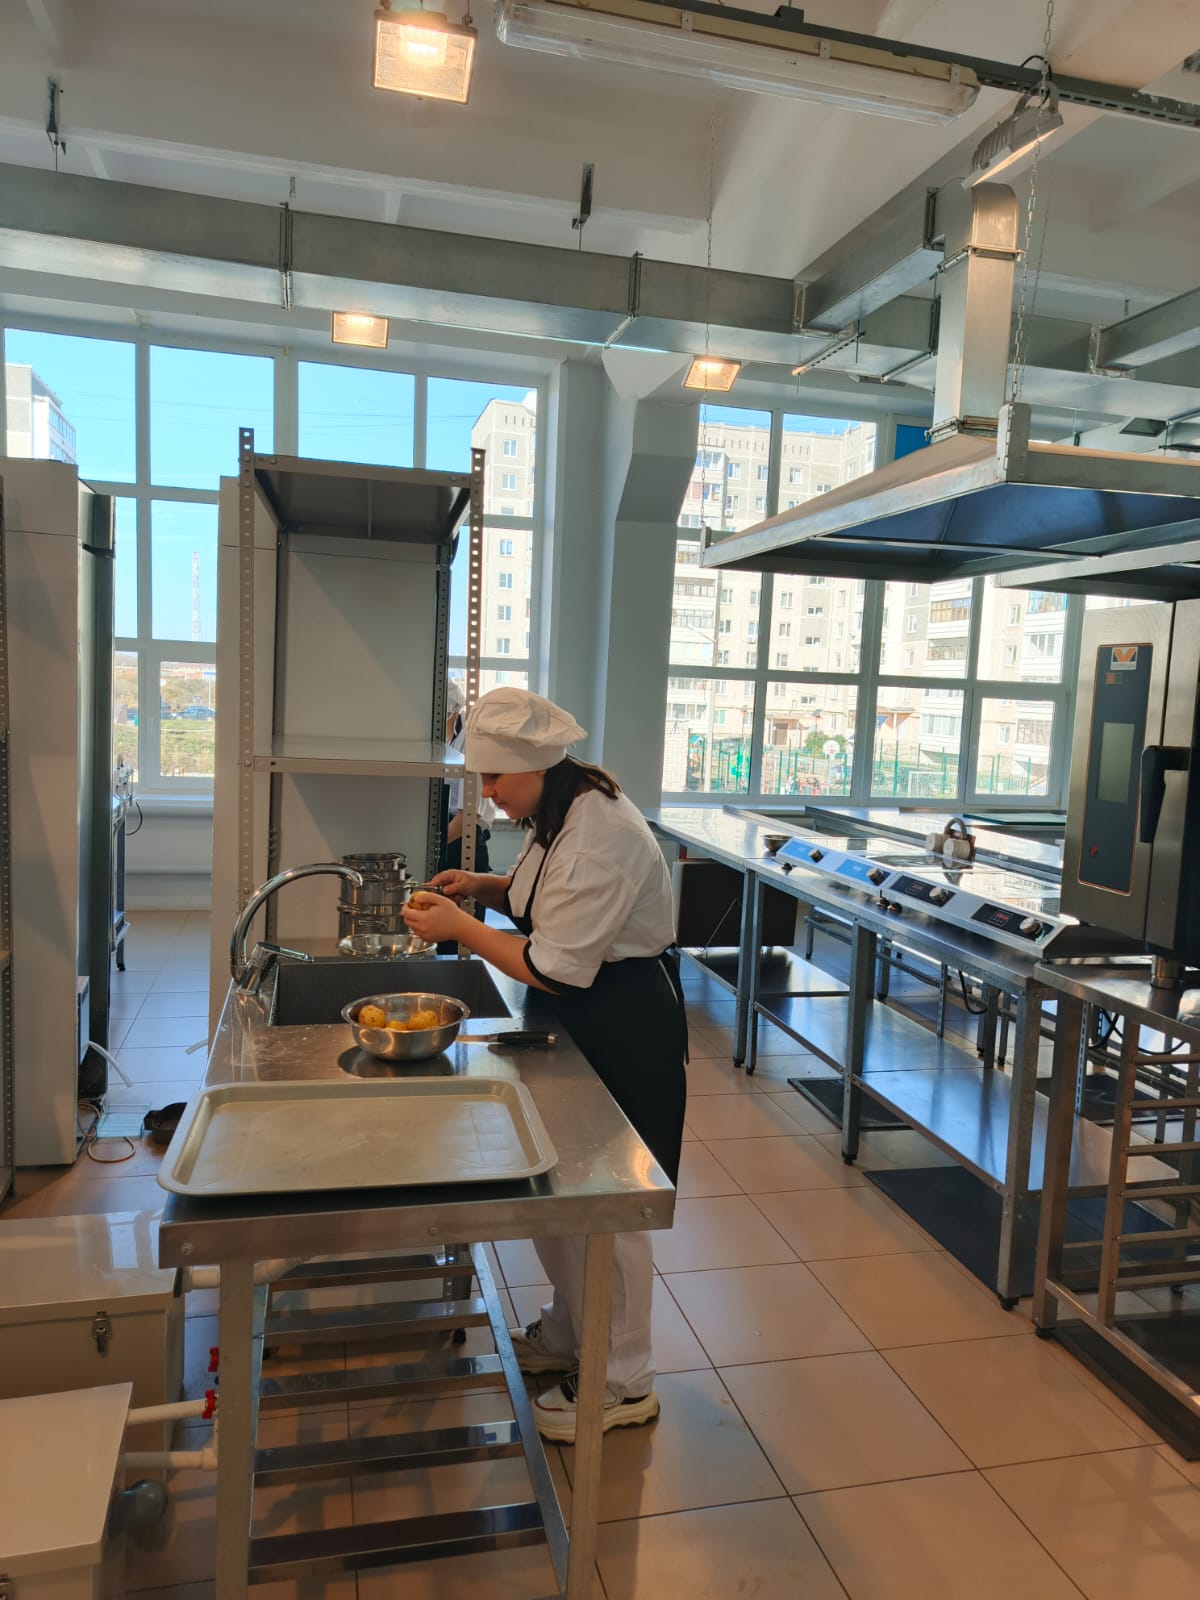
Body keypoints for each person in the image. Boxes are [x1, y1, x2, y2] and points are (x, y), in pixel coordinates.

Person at [403, 686, 687, 1444]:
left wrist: (462, 925)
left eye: (495, 777)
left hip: (621, 1019)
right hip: (580, 1011)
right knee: (560, 1183)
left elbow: (555, 964)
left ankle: (624, 1382)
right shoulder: (559, 810)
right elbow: (546, 902)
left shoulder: (599, 833)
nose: (488, 791)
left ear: (535, 766)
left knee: (611, 1200)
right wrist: (486, 890)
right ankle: (569, 1335)